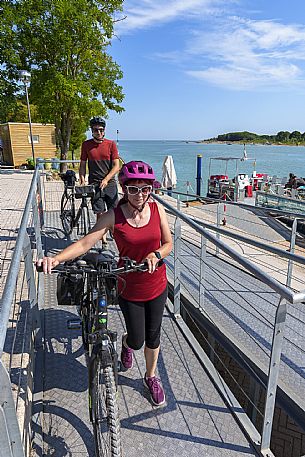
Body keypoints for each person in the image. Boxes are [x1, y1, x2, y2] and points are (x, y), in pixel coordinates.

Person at [38, 160, 173, 407]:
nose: (140, 194)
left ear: (151, 189)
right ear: (124, 189)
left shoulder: (157, 210)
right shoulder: (114, 216)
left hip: (157, 284)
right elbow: (84, 243)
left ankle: (151, 376)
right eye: (134, 189)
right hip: (129, 286)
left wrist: (156, 255)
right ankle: (126, 345)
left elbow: (168, 244)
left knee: (153, 337)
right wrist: (55, 258)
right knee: (136, 339)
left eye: (145, 188)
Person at [79, 116, 120, 247]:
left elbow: (116, 165)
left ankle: (114, 232)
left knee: (114, 210)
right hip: (94, 183)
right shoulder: (86, 145)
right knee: (99, 211)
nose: (99, 132)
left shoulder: (111, 144)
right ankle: (102, 237)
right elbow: (82, 164)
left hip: (110, 183)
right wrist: (81, 177)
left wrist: (107, 179)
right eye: (96, 130)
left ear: (104, 130)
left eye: (101, 130)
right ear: (91, 130)